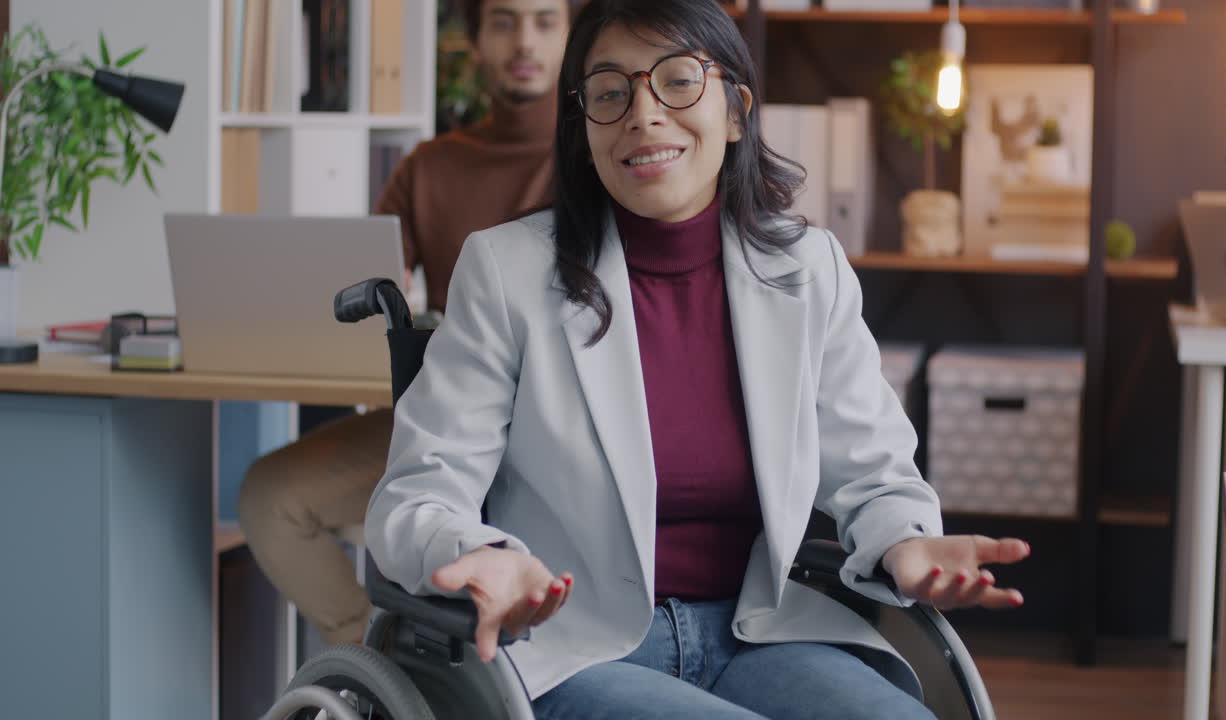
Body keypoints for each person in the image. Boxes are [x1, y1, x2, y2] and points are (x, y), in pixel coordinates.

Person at [365, 0, 1033, 717]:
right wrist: (481, 554)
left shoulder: (810, 270)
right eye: (610, 92)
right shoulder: (507, 271)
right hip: (574, 649)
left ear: (737, 111)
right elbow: (415, 497)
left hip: (761, 634)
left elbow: (874, 473)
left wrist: (905, 541)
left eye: (679, 80)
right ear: (584, 126)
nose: (644, 115)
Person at [237, 0, 572, 648]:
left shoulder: (601, 159)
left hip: (562, 434)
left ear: (569, 34)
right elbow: (358, 280)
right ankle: (380, 671)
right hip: (449, 417)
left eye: (543, 19)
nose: (524, 40)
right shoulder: (430, 165)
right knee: (270, 498)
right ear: (474, 40)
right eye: (503, 21)